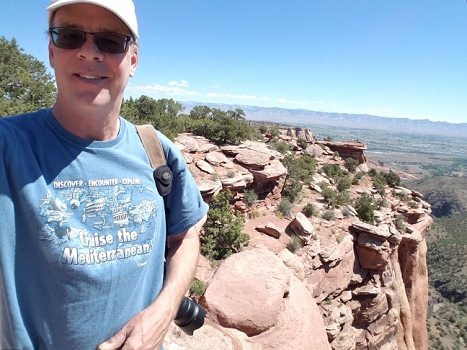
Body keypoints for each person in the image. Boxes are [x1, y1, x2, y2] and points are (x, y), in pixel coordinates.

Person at [0, 0, 208, 349]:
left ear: (133, 60)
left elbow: (186, 237)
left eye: (110, 41)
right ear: (52, 51)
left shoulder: (156, 150)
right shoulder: (10, 147)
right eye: (70, 36)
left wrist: (164, 309)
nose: (89, 53)